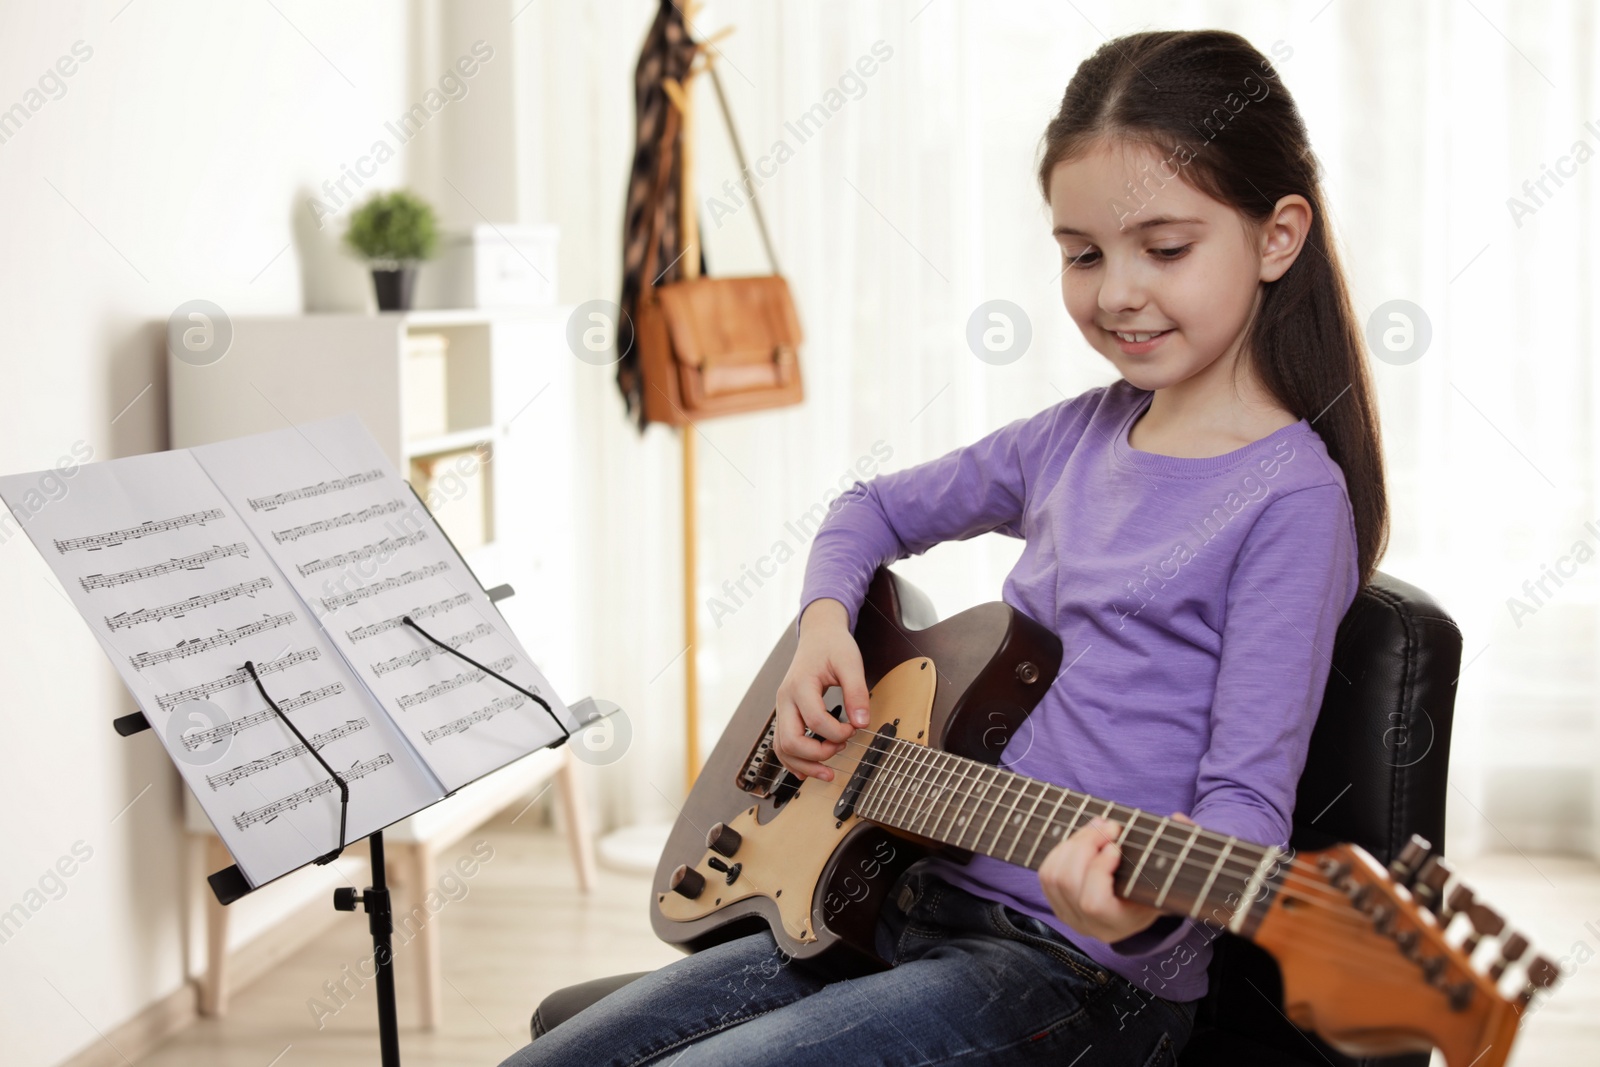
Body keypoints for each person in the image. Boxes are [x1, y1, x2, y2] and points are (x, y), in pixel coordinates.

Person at [499, 26, 1387, 1067]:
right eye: (1081, 253)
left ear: (1277, 236)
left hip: (1078, 975)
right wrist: (823, 628)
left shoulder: (1288, 500)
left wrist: (1126, 913)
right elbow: (865, 509)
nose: (1114, 293)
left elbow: (1243, 810)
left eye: (1166, 247)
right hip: (898, 896)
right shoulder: (1073, 434)